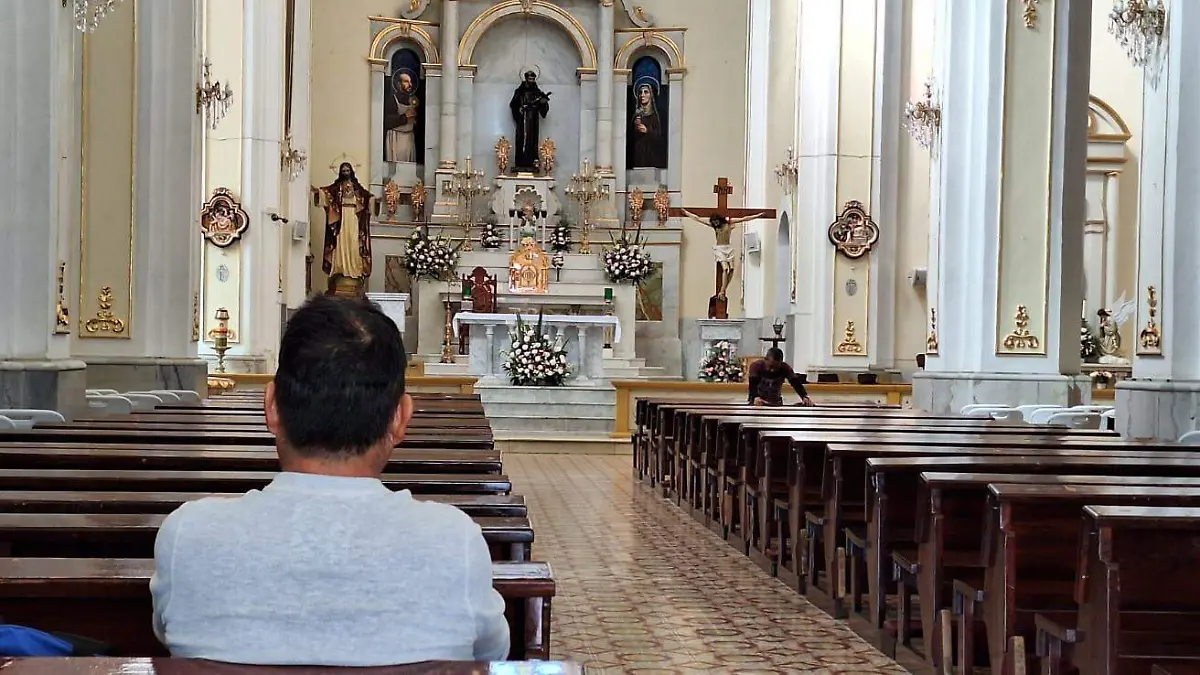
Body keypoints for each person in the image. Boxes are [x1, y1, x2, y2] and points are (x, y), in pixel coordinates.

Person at [150, 296, 509, 666]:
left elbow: (166, 634)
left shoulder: (188, 534)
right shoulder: (454, 541)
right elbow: (491, 656)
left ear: (271, 406)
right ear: (401, 417)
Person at [747, 347, 813, 407]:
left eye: (776, 367)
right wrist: (755, 397)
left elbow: (796, 383)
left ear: (781, 362)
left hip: (775, 403)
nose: (772, 370)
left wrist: (804, 397)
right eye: (771, 366)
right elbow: (752, 385)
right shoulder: (756, 366)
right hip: (757, 403)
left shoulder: (785, 368)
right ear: (765, 360)